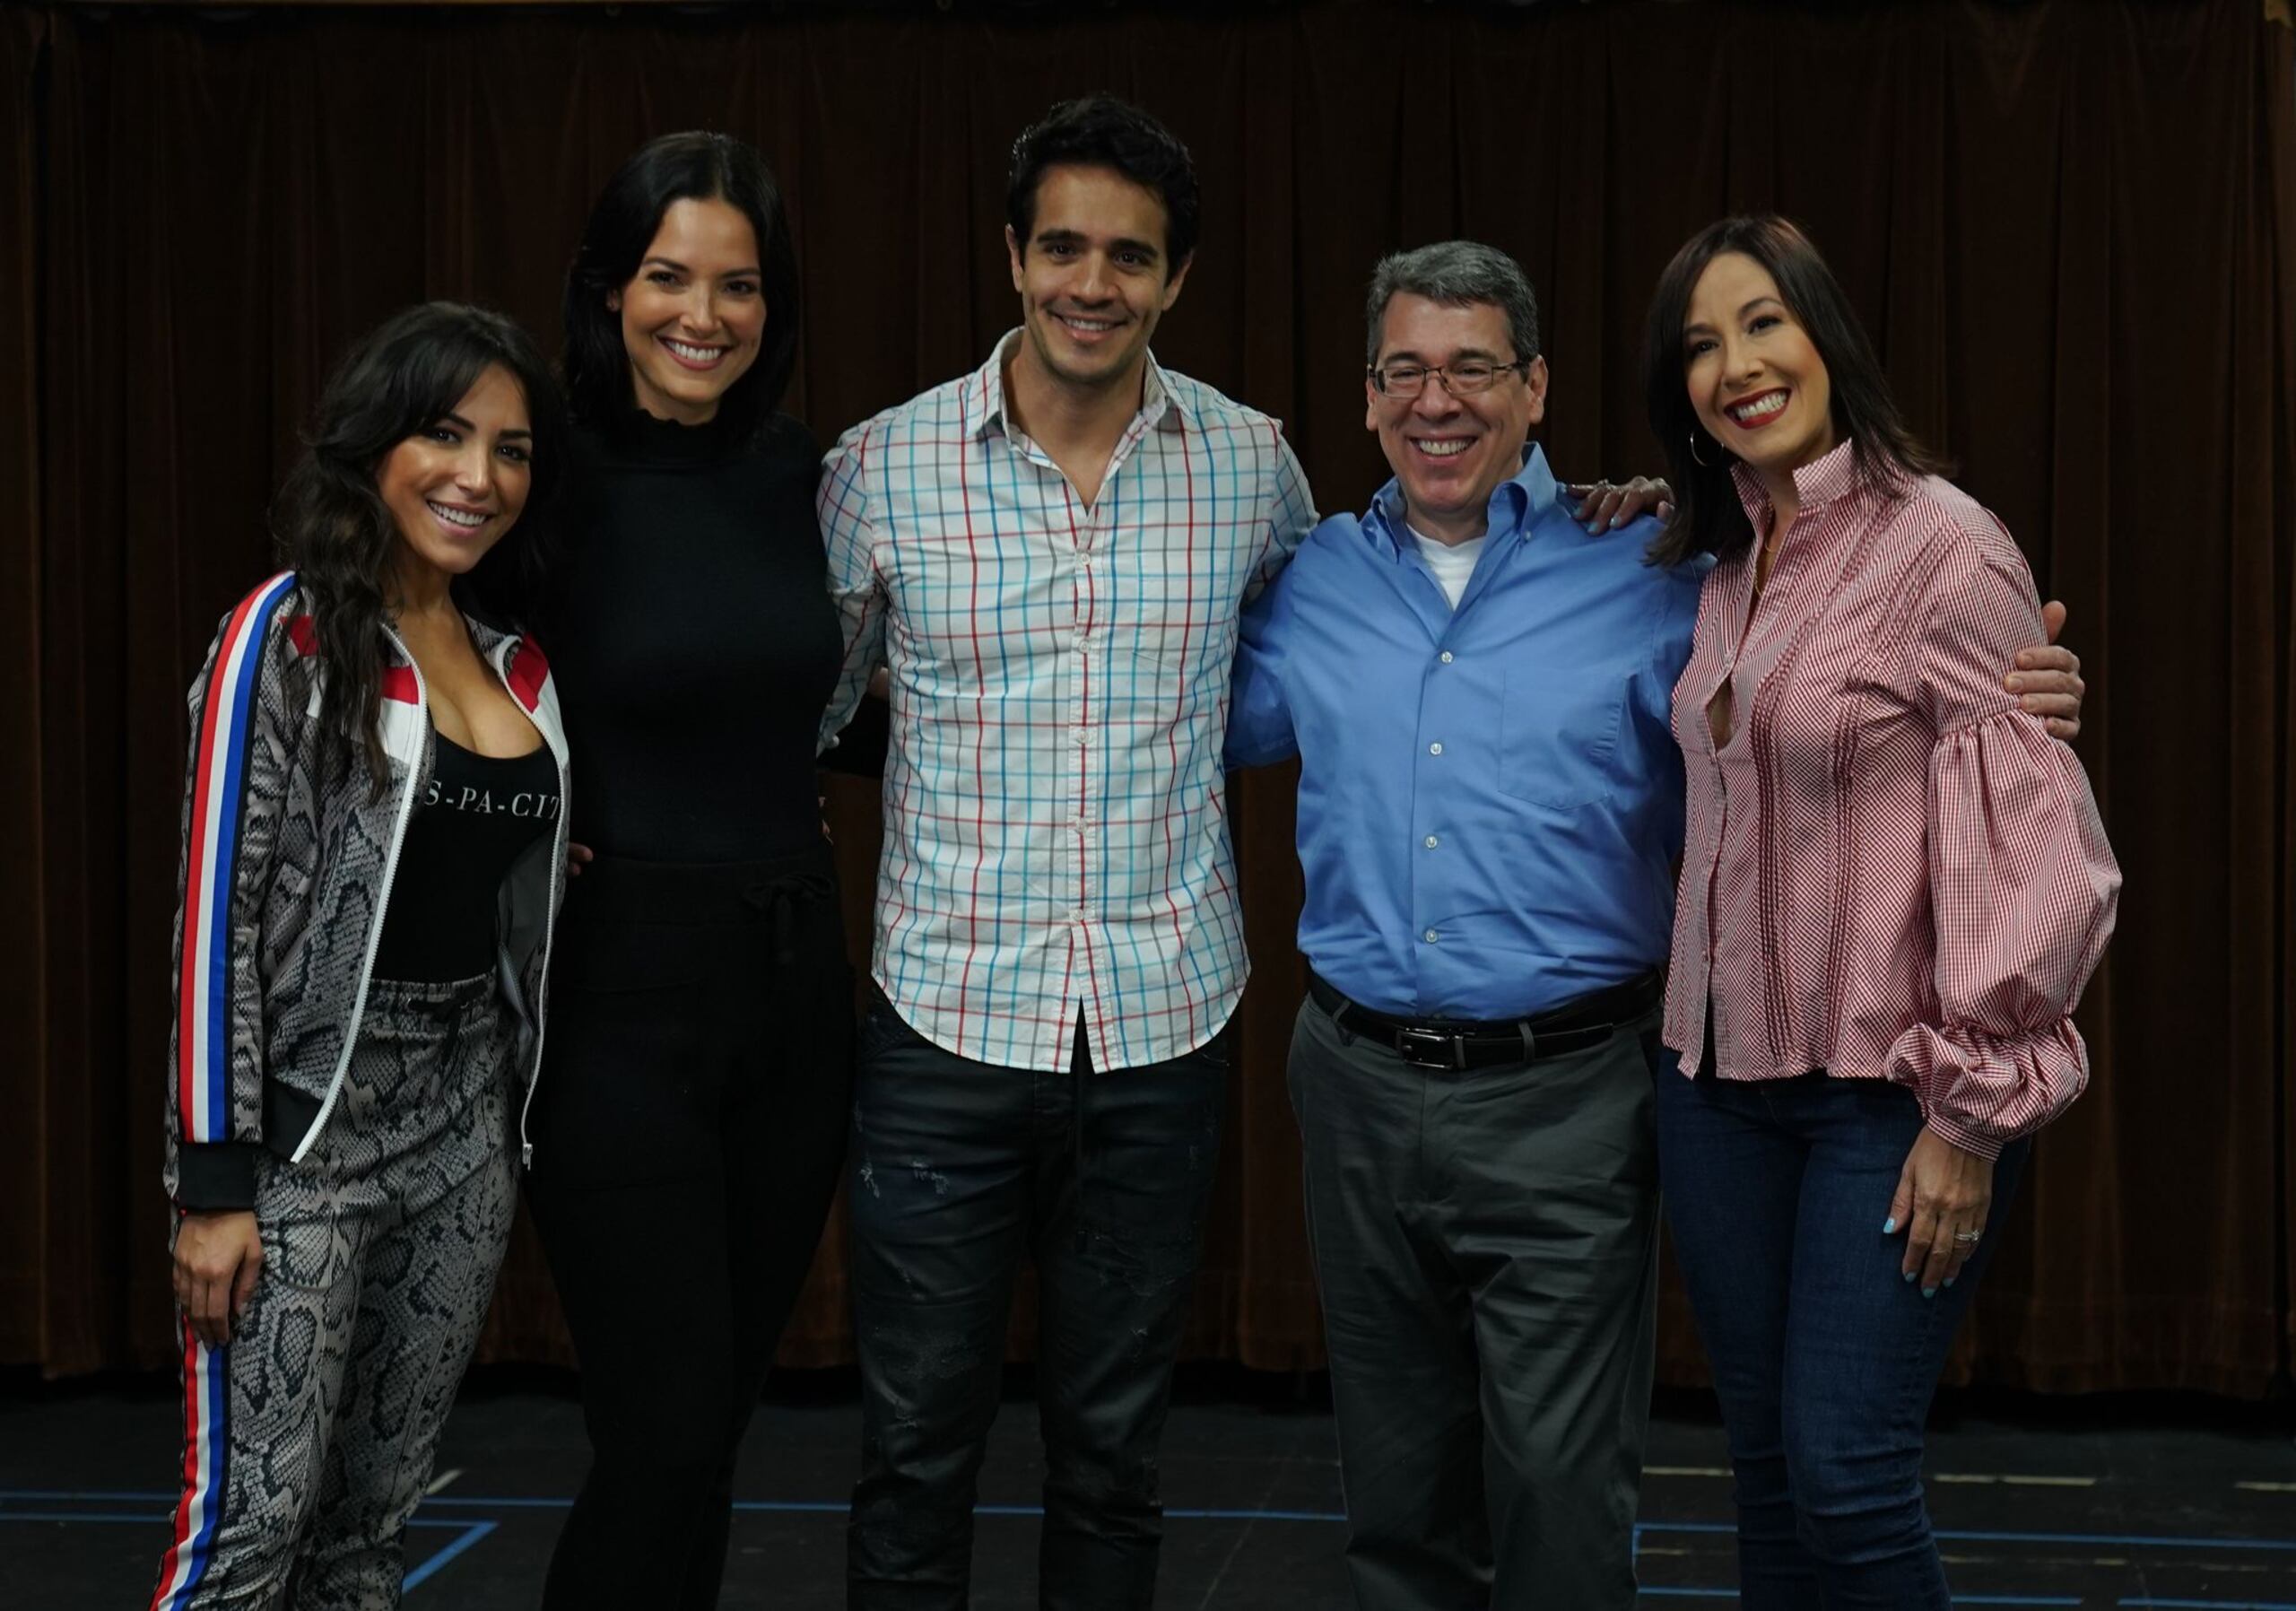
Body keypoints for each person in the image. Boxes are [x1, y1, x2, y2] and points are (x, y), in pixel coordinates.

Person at [1222, 240, 2090, 1610]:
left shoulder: (1656, 563)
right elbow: (1162, 716)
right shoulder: (1321, 580)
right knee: (1409, 1506)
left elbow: (1972, 781)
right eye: (1405, 371)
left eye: (1472, 369)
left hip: (1592, 1090)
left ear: (1536, 386)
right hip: (1376, 1086)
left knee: (1628, 1504)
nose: (1436, 400)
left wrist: (2021, 697)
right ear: (1367, 395)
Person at [813, 94, 1318, 1608]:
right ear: (1012, 257)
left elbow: (1365, 635)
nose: (1091, 284)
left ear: (1177, 280)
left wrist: (1590, 515)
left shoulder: (1253, 468)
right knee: (915, 1449)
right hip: (941, 1031)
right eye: (1063, 248)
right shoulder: (879, 470)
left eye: (1130, 257)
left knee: (1114, 1455)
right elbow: (808, 707)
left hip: (1165, 1028)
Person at [1641, 213, 2120, 1607]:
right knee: (1770, 1480)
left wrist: (1967, 1120)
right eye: (1701, 345)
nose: (1737, 363)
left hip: (1890, 1095)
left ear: (1824, 336)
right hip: (1718, 1088)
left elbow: (2046, 849)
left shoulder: (1945, 550)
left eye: (1763, 323)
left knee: (1846, 1472)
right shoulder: (1721, 566)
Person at [149, 301, 571, 1610]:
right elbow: (214, 917)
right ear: (375, 444)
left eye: (510, 449)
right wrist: (215, 1184)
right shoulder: (281, 636)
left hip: (458, 1131)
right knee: (251, 1534)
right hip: (300, 1144)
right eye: (446, 434)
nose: (477, 477)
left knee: (368, 1538)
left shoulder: (516, 664)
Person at [519, 132, 855, 1611]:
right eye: (667, 278)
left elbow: (825, 703)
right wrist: (530, 826)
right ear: (607, 289)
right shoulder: (539, 476)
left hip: (795, 993)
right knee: (657, 1431)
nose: (701, 316)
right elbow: (437, 686)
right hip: (614, 1000)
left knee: (708, 1429)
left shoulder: (802, 474)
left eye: (738, 284)